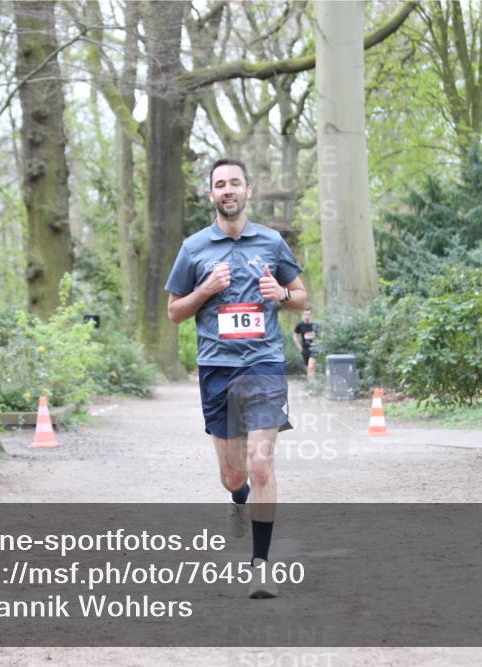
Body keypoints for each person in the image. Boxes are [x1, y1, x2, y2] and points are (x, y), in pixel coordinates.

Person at [165, 157, 307, 599]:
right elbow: (174, 312)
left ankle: (261, 565)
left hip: (264, 364)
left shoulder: (270, 241)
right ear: (211, 195)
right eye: (220, 184)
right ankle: (238, 499)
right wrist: (205, 290)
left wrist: (281, 294)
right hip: (217, 368)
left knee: (261, 463)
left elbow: (302, 297)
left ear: (248, 191)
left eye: (235, 183)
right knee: (233, 475)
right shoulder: (193, 249)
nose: (228, 190)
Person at [292, 307, 317, 380]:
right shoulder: (300, 325)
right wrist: (299, 347)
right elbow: (295, 335)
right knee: (308, 368)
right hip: (305, 349)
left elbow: (321, 335)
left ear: (311, 315)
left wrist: (318, 345)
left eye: (309, 314)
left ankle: (311, 385)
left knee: (311, 366)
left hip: (314, 348)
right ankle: (311, 384)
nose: (307, 316)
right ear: (303, 315)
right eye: (305, 314)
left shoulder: (315, 325)